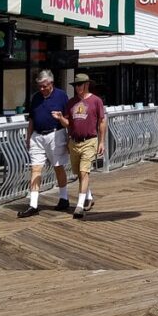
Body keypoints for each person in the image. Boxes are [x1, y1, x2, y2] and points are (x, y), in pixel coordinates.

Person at [52, 73, 106, 220]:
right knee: (79, 173)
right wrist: (60, 118)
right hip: (74, 142)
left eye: (80, 84)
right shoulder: (71, 102)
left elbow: (102, 121)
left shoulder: (96, 101)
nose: (77, 87)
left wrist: (101, 142)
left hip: (90, 140)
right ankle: (89, 196)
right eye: (75, 85)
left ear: (87, 84)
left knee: (84, 172)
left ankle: (80, 206)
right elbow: (69, 124)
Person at [18, 70, 70, 218]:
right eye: (39, 86)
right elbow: (32, 119)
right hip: (37, 135)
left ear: (51, 84)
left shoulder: (61, 95)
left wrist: (69, 136)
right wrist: (29, 137)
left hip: (56, 134)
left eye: (44, 86)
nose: (41, 89)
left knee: (58, 166)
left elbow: (67, 118)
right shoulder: (35, 98)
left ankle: (64, 198)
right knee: (35, 169)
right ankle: (33, 204)